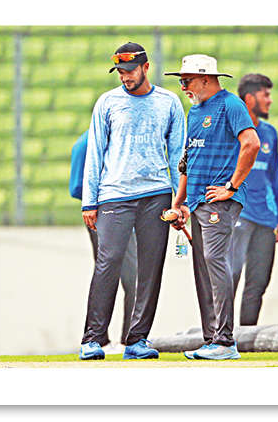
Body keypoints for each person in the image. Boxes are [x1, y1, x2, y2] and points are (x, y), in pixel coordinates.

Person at [80, 42, 185, 360]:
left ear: (145, 67)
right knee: (107, 263)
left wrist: (181, 202)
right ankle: (92, 339)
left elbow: (179, 156)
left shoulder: (169, 102)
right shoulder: (107, 102)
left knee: (151, 269)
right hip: (114, 195)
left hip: (157, 195)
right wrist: (89, 201)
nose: (125, 77)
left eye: (130, 70)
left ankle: (137, 340)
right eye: (120, 72)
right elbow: (95, 152)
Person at [164, 55, 260, 360]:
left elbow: (251, 143)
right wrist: (180, 202)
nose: (183, 87)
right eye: (181, 81)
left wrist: (231, 186)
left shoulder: (230, 105)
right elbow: (188, 161)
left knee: (215, 261)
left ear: (205, 78)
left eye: (186, 81)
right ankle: (213, 339)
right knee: (206, 268)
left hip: (219, 200)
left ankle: (225, 342)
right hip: (198, 202)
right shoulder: (195, 111)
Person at [69, 130, 137, 354]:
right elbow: (77, 186)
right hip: (106, 216)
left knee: (120, 275)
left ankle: (109, 339)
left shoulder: (114, 140)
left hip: (121, 216)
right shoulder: (88, 143)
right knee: (121, 275)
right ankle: (113, 339)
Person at [229, 74, 278, 325]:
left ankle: (247, 336)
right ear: (250, 99)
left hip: (265, 220)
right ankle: (221, 336)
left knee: (258, 282)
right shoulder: (230, 130)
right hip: (238, 215)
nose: (270, 100)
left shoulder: (270, 133)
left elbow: (274, 177)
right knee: (229, 278)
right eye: (266, 95)